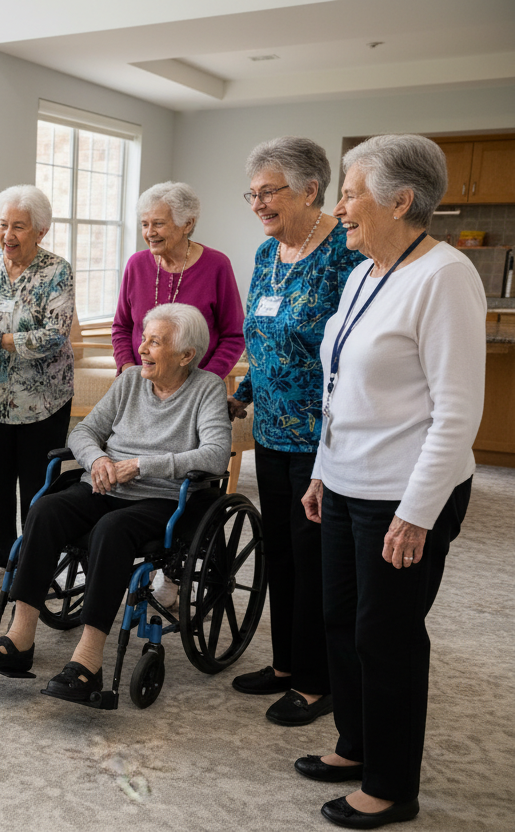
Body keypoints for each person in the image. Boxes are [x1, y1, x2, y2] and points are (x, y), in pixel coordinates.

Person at [295, 135, 486, 829]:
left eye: (349, 192)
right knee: (341, 621)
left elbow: (457, 411)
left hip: (404, 494)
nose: (339, 207)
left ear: (401, 200)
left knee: (389, 636)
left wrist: (417, 513)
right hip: (346, 483)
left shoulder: (444, 275)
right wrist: (322, 469)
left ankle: (391, 784)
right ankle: (355, 744)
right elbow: (340, 382)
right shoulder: (364, 272)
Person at [0, 304, 230, 699]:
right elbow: (85, 431)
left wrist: (141, 466)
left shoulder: (206, 388)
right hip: (104, 484)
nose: (143, 348)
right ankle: (19, 641)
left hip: (160, 499)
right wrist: (98, 458)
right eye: (144, 338)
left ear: (186, 355)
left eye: (156, 341)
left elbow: (215, 455)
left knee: (111, 530)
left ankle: (88, 663)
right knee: (46, 510)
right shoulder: (130, 381)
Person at [227, 137, 366, 728]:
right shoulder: (266, 255)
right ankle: (286, 665)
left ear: (312, 190)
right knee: (280, 555)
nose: (258, 204)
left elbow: (353, 350)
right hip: (272, 434)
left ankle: (317, 681)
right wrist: (247, 393)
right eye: (252, 194)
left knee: (316, 563)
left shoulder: (344, 255)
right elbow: (263, 338)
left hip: (321, 438)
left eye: (269, 192)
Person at [0, 184, 74, 592]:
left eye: (18, 227)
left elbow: (54, 336)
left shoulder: (57, 271)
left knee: (38, 485)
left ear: (40, 231)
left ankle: (36, 565)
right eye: (3, 225)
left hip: (42, 400)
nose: (8, 235)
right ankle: (3, 561)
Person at [111, 181, 245, 379]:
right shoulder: (136, 264)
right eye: (144, 224)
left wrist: (207, 380)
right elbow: (121, 327)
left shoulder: (217, 265)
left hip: (198, 385)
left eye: (158, 224)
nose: (149, 233)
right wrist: (128, 370)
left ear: (187, 224)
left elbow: (234, 335)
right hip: (141, 382)